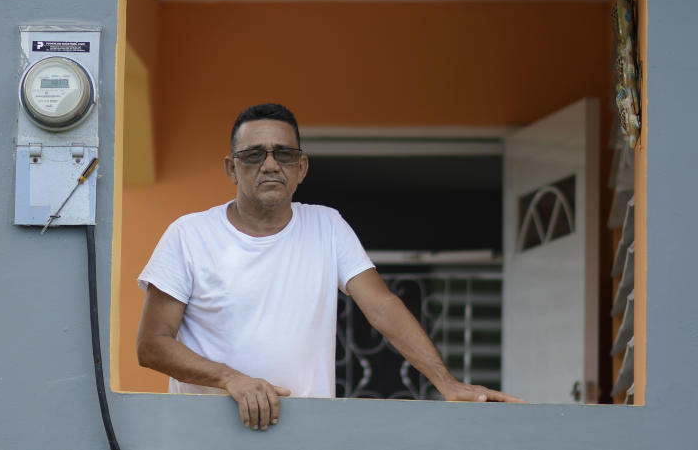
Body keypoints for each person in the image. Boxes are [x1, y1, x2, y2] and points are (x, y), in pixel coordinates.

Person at [136, 103, 522, 432]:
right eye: (254, 155)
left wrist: (447, 384)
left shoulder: (327, 226)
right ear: (231, 168)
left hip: (307, 432)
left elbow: (383, 307)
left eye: (283, 154)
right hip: (206, 434)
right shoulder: (189, 235)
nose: (270, 165)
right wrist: (231, 379)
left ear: (301, 167)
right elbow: (152, 345)